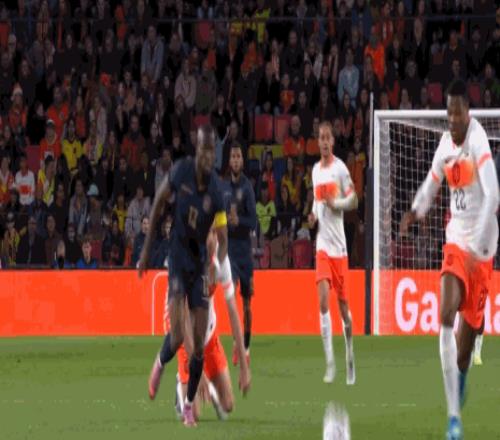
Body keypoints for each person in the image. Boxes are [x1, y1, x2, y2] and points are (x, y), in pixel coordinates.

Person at [400, 80, 498, 440]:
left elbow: (494, 195)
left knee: (463, 356)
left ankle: (461, 377)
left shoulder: (478, 140)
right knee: (445, 314)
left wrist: (478, 245)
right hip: (456, 242)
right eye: (449, 114)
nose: (454, 119)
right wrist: (415, 210)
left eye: (459, 113)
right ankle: (453, 419)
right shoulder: (444, 145)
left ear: (467, 114)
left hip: (482, 250)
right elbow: (431, 184)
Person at [138, 125, 249, 427]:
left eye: (212, 151)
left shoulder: (218, 193)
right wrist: (146, 251)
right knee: (179, 337)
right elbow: (159, 202)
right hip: (178, 259)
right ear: (197, 150)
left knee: (227, 402)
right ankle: (169, 373)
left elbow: (224, 240)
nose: (207, 156)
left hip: (200, 275)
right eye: (203, 149)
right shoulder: (180, 172)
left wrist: (217, 263)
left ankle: (190, 402)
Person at [174, 226, 251, 422]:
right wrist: (196, 370)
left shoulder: (221, 260)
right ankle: (180, 386)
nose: (213, 239)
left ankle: (209, 383)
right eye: (209, 233)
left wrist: (244, 367)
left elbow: (233, 312)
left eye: (215, 233)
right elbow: (183, 318)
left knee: (228, 405)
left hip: (209, 335)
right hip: (188, 339)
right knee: (193, 415)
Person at [308, 121, 357, 386]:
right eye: (321, 138)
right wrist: (313, 215)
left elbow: (354, 200)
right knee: (323, 301)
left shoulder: (340, 169)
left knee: (344, 310)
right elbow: (316, 204)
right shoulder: (315, 171)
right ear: (318, 142)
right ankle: (329, 363)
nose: (325, 142)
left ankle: (349, 353)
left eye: (328, 137)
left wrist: (335, 203)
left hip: (340, 249)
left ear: (333, 142)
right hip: (323, 246)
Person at [223, 144, 257, 365]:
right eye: (233, 156)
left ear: (242, 161)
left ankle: (246, 346)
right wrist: (225, 221)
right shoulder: (224, 188)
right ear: (229, 161)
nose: (235, 160)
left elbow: (253, 222)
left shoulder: (248, 188)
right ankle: (236, 342)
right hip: (230, 252)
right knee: (231, 300)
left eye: (238, 156)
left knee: (246, 304)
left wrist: (239, 221)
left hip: (245, 253)